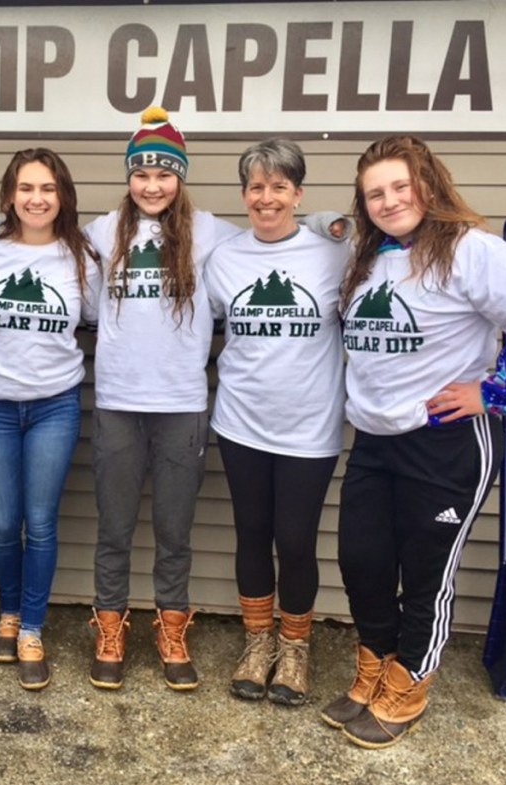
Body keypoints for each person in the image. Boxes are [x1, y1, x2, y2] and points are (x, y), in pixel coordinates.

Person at [83, 108, 346, 692]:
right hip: (119, 401)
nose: (153, 185)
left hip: (183, 403)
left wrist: (331, 221)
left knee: (176, 529)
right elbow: (39, 238)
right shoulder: (102, 233)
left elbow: (281, 233)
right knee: (114, 527)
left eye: (165, 173)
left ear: (182, 176)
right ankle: (111, 625)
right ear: (129, 177)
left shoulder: (215, 235)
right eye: (142, 174)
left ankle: (172, 627)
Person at [324, 135, 506, 748]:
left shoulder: (470, 251)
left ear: (427, 186)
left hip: (447, 443)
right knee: (363, 561)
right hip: (376, 440)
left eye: (400, 187)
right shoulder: (369, 257)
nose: (388, 201)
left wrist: (495, 391)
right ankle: (375, 666)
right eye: (375, 193)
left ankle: (410, 682)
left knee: (427, 571)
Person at [205, 138, 349, 706]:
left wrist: (331, 222)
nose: (267, 198)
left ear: (298, 193)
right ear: (244, 195)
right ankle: (258, 643)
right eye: (257, 187)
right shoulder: (225, 258)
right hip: (241, 421)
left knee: (295, 540)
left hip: (309, 426)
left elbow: (380, 227)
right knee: (251, 533)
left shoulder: (333, 252)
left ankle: (295, 648)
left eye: (279, 186)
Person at [0, 148, 101, 690]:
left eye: (48, 189)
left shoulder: (81, 257)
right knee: (2, 521)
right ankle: (8, 613)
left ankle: (33, 626)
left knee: (39, 523)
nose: (37, 199)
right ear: (9, 195)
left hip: (55, 405)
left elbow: (95, 323)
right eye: (26, 188)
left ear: (62, 197)